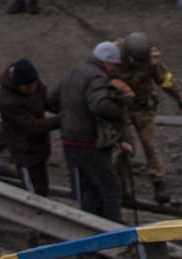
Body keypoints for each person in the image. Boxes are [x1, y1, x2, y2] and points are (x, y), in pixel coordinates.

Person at [54, 41, 133, 223]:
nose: (114, 70)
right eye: (114, 65)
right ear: (107, 62)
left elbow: (52, 99)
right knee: (110, 188)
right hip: (90, 142)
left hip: (69, 140)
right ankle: (114, 233)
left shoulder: (72, 72)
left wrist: (68, 117)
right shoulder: (98, 77)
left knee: (88, 189)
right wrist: (120, 113)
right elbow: (99, 104)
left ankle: (91, 230)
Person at [113, 32, 182, 204]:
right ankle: (121, 185)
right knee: (125, 146)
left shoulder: (151, 61)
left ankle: (159, 184)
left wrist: (180, 97)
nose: (136, 63)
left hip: (143, 107)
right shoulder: (114, 58)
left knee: (150, 145)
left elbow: (165, 80)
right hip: (121, 108)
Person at [0, 58, 59, 197]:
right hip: (24, 153)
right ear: (19, 85)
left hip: (39, 150)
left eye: (34, 85)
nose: (33, 89)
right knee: (34, 195)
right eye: (29, 87)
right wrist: (60, 120)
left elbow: (46, 101)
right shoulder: (7, 101)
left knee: (43, 187)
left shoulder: (33, 83)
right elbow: (32, 127)